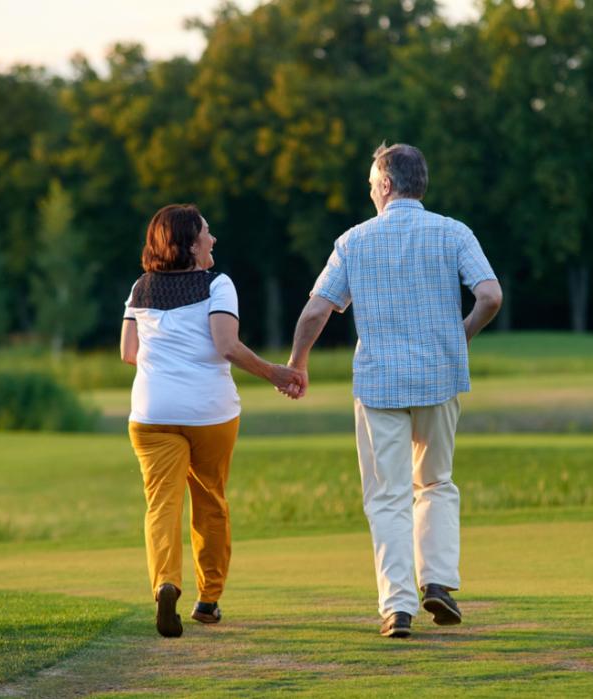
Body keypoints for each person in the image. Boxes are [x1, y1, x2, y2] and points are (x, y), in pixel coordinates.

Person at [288, 143, 502, 638]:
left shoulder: (353, 241)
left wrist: (297, 363)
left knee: (387, 497)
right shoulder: (453, 232)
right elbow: (490, 296)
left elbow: (316, 310)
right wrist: (460, 335)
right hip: (440, 377)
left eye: (370, 185)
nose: (369, 192)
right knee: (436, 482)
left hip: (379, 383)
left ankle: (398, 608)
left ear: (385, 184)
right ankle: (439, 584)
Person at [120, 204, 304, 638]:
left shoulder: (139, 288)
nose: (213, 238)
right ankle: (209, 600)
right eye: (206, 232)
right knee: (210, 501)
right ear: (189, 243)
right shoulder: (217, 285)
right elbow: (227, 344)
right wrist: (275, 372)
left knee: (161, 505)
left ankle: (166, 582)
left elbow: (128, 353)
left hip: (151, 414)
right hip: (209, 412)